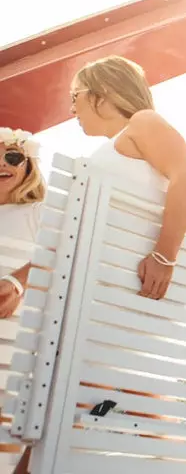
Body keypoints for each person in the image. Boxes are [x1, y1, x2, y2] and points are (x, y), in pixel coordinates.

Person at [69, 55, 186, 299]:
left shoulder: (142, 121)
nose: (71, 108)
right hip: (98, 283)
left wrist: (164, 257)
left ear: (103, 92)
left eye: (74, 95)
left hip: (113, 285)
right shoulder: (116, 146)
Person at [0, 128, 45, 472]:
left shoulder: (37, 212)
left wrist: (18, 281)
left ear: (28, 165)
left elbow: (65, 252)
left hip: (13, 351)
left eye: (12, 157)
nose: (3, 164)